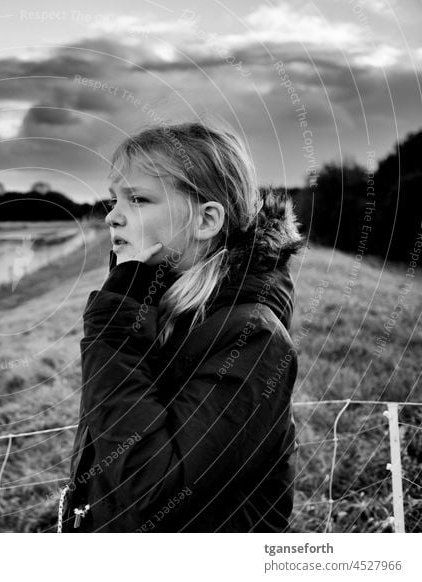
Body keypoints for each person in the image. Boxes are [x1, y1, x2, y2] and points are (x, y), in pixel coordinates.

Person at [57, 122, 305, 532]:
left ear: (206, 220)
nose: (112, 218)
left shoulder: (252, 339)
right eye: (113, 199)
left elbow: (155, 497)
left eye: (137, 199)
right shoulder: (157, 307)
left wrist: (113, 335)